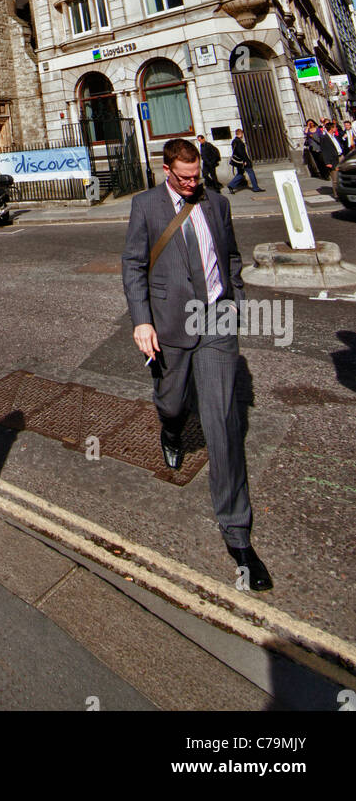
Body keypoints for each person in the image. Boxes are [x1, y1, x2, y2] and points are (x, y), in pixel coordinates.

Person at [122, 137, 272, 591]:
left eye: (197, 176)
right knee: (171, 402)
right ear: (167, 170)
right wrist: (142, 321)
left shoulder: (217, 204)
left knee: (224, 423)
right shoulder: (146, 206)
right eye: (184, 178)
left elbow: (230, 256)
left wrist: (236, 301)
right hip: (169, 326)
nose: (193, 184)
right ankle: (169, 426)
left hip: (217, 325)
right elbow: (133, 266)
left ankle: (237, 533)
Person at [227, 129, 264, 193]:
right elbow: (241, 152)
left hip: (238, 161)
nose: (242, 135)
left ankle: (231, 185)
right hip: (243, 161)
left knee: (240, 173)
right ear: (240, 134)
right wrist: (245, 161)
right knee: (251, 172)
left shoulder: (234, 141)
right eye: (242, 134)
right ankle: (255, 188)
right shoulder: (239, 142)